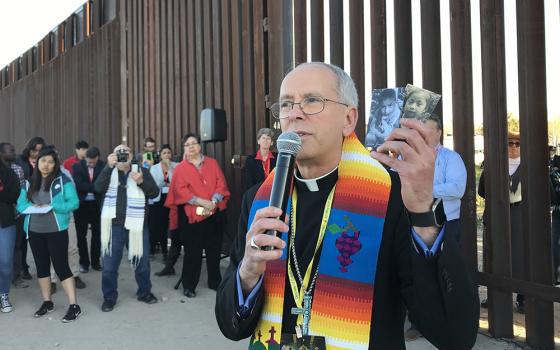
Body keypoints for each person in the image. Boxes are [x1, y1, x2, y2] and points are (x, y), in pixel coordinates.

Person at [215, 62, 478, 349]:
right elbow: (231, 326)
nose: (295, 113)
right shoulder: (259, 200)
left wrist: (424, 216)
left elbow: (455, 336)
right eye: (287, 104)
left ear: (349, 119)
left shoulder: (392, 197)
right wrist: (248, 273)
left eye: (312, 100)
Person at [16, 148, 81, 322]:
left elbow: (74, 202)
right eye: (43, 160)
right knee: (42, 267)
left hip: (56, 230)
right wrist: (32, 208)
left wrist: (54, 206)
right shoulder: (29, 182)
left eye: (50, 162)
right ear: (37, 162)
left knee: (61, 267)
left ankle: (74, 305)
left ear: (55, 164)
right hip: (35, 230)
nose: (46, 165)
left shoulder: (63, 180)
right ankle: (47, 302)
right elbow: (20, 204)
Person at [94, 144, 159, 312]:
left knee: (142, 262)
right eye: (119, 152)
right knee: (109, 265)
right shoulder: (107, 170)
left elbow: (154, 193)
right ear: (112, 155)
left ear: (131, 155)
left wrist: (141, 181)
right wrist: (109, 167)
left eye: (126, 152)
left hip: (137, 226)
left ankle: (144, 292)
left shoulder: (141, 170)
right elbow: (98, 188)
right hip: (113, 226)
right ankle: (109, 297)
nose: (123, 155)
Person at [165, 133, 230, 298]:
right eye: (188, 144)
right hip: (192, 217)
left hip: (213, 213)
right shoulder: (180, 168)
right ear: (184, 148)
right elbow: (180, 191)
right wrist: (202, 202)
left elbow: (220, 184)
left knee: (214, 251)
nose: (191, 146)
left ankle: (215, 282)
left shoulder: (212, 163)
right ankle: (189, 285)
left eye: (194, 143)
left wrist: (213, 202)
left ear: (199, 146)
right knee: (192, 253)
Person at [478, 131, 525, 313]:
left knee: (521, 255)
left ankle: (523, 297)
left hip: (520, 214)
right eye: (510, 143)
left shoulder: (529, 165)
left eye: (517, 144)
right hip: (497, 213)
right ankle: (494, 296)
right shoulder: (494, 164)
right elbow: (483, 191)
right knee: (495, 253)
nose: (513, 147)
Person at [426, 113, 467, 242]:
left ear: (439, 133)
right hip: (413, 224)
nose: (423, 135)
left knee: (446, 261)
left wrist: (423, 190)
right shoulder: (406, 157)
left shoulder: (451, 157)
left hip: (445, 223)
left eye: (428, 130)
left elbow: (456, 189)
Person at [15, 136, 46, 280]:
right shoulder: (19, 161)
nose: (36, 153)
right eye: (34, 150)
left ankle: (42, 270)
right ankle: (22, 267)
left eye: (39, 150)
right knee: (21, 238)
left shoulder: (45, 160)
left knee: (35, 237)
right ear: (29, 148)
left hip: (40, 202)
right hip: (24, 202)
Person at [0, 142, 29, 289]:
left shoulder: (17, 170)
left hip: (16, 214)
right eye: (10, 150)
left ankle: (16, 277)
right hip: (5, 213)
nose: (14, 152)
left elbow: (18, 193)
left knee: (16, 247)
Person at [72, 147, 105, 272]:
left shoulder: (103, 166)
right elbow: (79, 185)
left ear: (98, 157)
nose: (90, 164)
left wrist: (93, 187)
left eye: (93, 162)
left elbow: (104, 184)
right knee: (81, 235)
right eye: (88, 162)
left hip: (97, 204)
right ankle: (84, 263)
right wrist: (96, 187)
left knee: (97, 234)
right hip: (82, 204)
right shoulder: (77, 167)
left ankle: (96, 262)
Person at [0, 154, 21, 313]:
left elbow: (13, 195)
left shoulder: (9, 173)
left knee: (6, 262)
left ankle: (4, 294)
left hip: (5, 221)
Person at [148, 144, 176, 258]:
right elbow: (154, 184)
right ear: (160, 155)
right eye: (164, 153)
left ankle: (166, 251)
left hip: (172, 198)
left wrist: (170, 169)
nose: (167, 155)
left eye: (168, 152)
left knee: (168, 224)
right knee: (158, 224)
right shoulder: (154, 168)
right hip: (158, 198)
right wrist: (166, 183)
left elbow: (177, 181)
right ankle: (153, 249)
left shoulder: (176, 166)